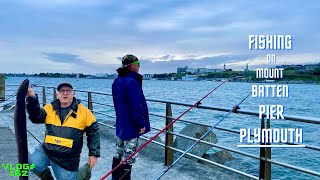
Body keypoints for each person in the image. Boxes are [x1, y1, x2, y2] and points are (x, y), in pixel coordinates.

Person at [26, 82, 100, 180]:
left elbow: (94, 132)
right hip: (47, 150)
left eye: (68, 90)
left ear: (74, 93)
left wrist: (93, 154)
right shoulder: (49, 108)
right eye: (62, 91)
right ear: (57, 94)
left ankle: (85, 170)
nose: (65, 93)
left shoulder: (85, 112)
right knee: (32, 163)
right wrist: (32, 97)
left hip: (67, 160)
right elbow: (35, 118)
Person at [111, 54, 150, 180]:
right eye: (138, 64)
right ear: (131, 66)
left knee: (119, 153)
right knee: (129, 157)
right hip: (131, 126)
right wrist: (140, 125)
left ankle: (115, 178)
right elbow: (136, 106)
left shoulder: (117, 81)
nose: (139, 67)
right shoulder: (132, 82)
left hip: (121, 124)